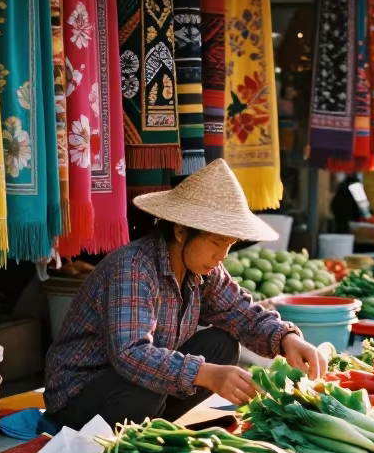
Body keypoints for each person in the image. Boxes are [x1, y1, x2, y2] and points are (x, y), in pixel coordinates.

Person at [43, 160, 327, 430]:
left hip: (137, 390)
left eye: (229, 244)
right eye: (216, 242)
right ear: (180, 231)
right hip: (78, 396)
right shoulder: (132, 267)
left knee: (222, 344)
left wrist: (286, 339)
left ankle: (152, 423)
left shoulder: (204, 269)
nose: (222, 255)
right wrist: (207, 374)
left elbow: (240, 313)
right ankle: (141, 422)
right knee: (151, 386)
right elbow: (130, 354)